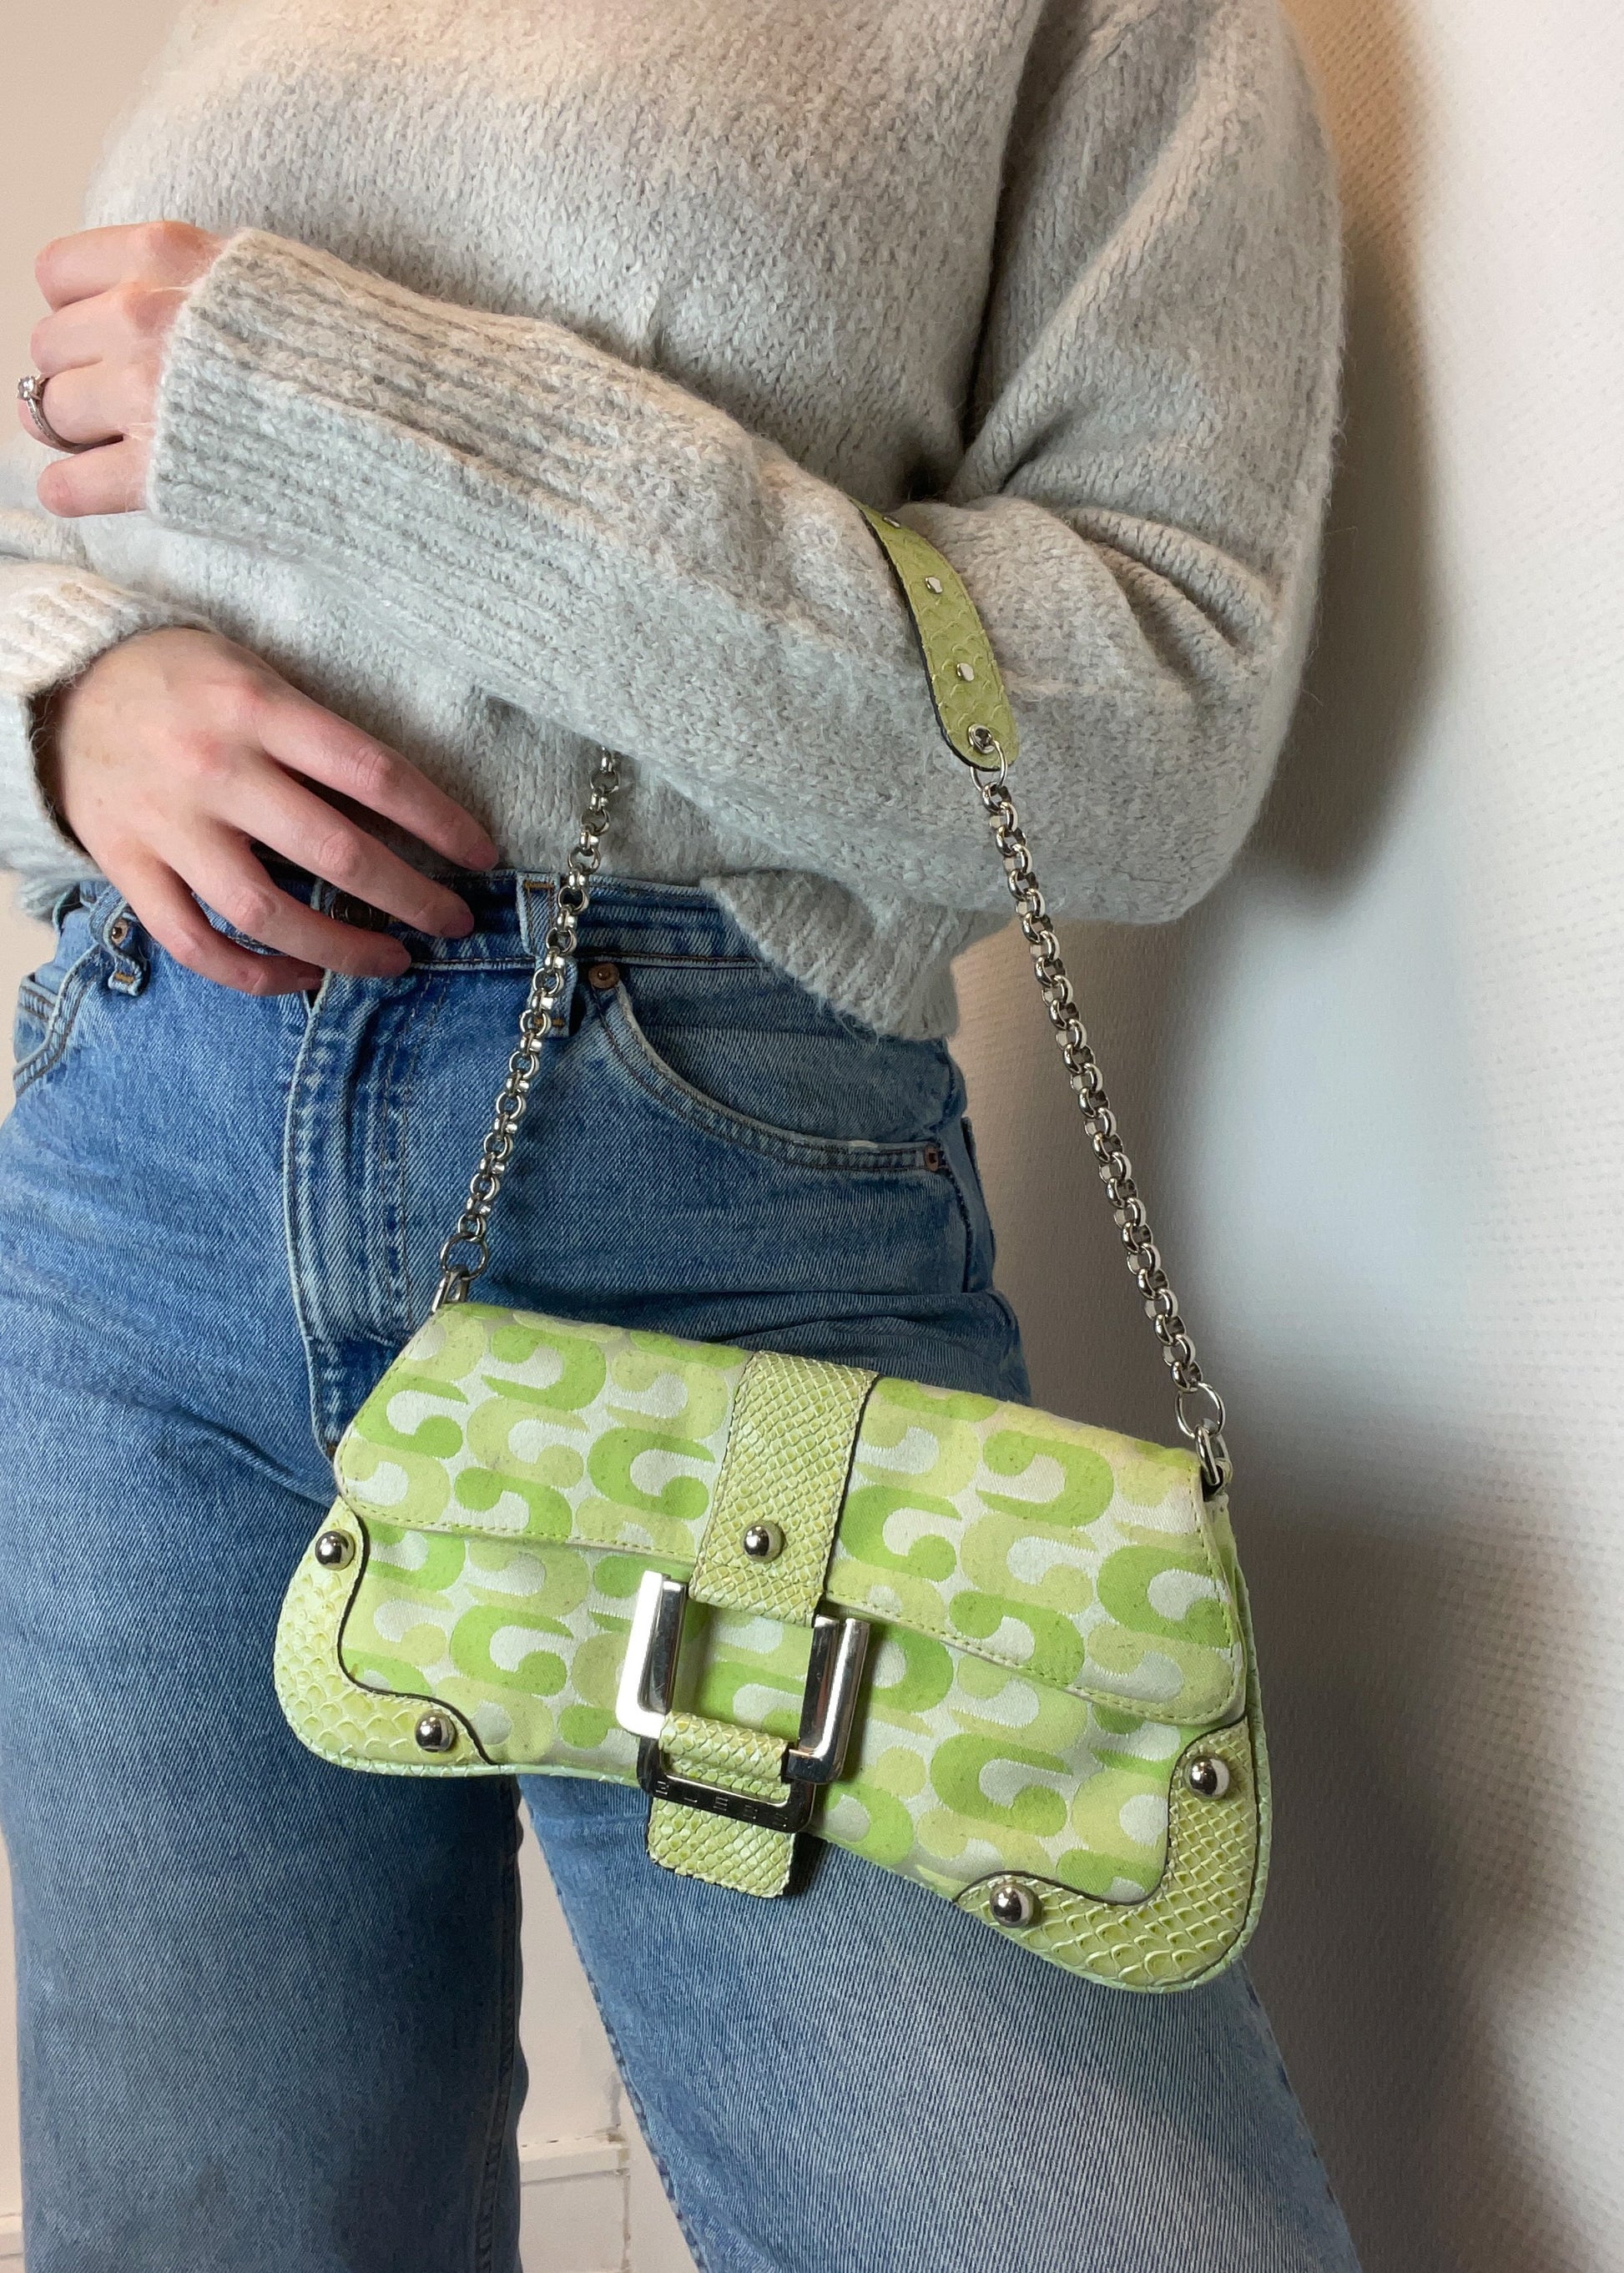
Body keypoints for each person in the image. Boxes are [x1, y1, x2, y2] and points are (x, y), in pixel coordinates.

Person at [0, 0, 1357, 2266]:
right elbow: (53, 530)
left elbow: (1149, 725)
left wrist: (355, 413)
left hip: (712, 1222)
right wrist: (70, 706)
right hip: (130, 1181)